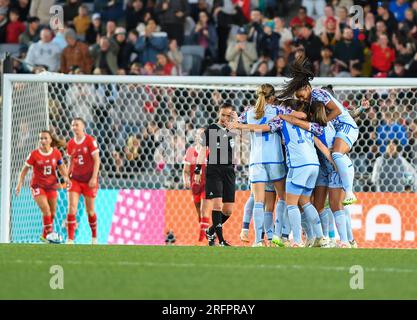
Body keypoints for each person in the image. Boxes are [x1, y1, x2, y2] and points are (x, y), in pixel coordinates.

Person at [229, 99, 330, 247]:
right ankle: (321, 237)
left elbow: (263, 128)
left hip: (298, 164)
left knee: (290, 203)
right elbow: (320, 137)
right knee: (305, 202)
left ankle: (295, 240)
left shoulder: (281, 122)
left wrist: (240, 125)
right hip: (314, 165)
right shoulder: (312, 124)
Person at [277, 57, 363, 206]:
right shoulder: (310, 101)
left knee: (336, 154)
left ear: (307, 88)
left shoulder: (317, 93)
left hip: (345, 126)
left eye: (301, 96)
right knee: (331, 156)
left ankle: (349, 191)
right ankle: (337, 191)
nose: (301, 99)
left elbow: (337, 111)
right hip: (336, 129)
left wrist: (321, 123)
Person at [194, 103, 237, 246]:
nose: (225, 118)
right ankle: (221, 240)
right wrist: (198, 169)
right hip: (214, 170)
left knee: (228, 210)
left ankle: (210, 231)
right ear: (219, 113)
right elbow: (202, 151)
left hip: (229, 171)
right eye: (223, 115)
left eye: (228, 115)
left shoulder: (233, 130)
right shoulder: (210, 130)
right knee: (217, 205)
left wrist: (236, 121)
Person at [15, 131, 69, 242]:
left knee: (52, 213)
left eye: (45, 138)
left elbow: (62, 167)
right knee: (46, 209)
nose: (42, 141)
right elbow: (24, 170)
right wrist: (19, 183)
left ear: (50, 140)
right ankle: (50, 234)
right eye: (41, 138)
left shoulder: (56, 153)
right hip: (37, 186)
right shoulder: (34, 154)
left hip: (51, 186)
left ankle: (44, 236)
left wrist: (66, 178)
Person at [66, 118, 101, 244]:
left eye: (77, 125)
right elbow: (71, 161)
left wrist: (93, 177)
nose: (74, 127)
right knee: (72, 208)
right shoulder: (70, 144)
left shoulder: (90, 141)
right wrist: (67, 175)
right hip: (75, 180)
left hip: (89, 181)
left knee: (90, 211)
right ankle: (70, 239)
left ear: (83, 126)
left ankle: (94, 237)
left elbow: (97, 160)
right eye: (73, 125)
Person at [183, 129, 209, 242]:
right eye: (198, 135)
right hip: (195, 186)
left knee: (204, 209)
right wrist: (185, 180)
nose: (200, 137)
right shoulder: (190, 151)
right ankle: (207, 231)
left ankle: (201, 239)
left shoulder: (210, 151)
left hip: (207, 184)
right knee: (199, 211)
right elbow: (186, 171)